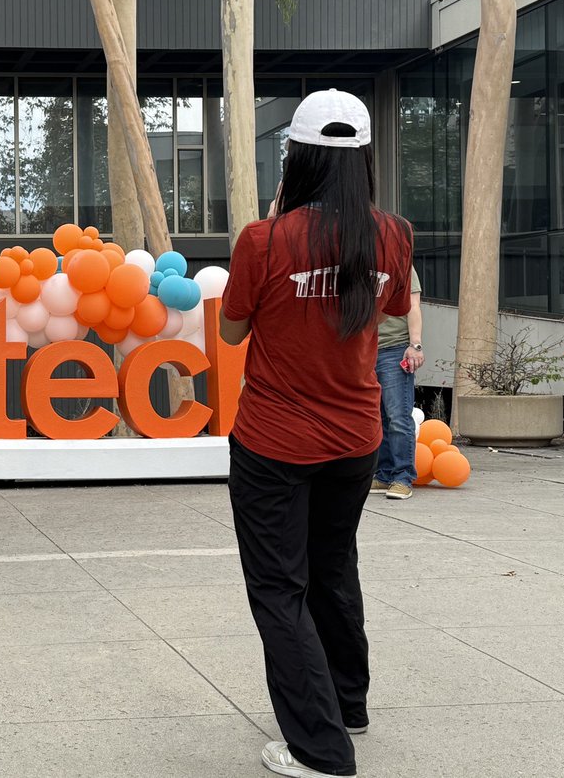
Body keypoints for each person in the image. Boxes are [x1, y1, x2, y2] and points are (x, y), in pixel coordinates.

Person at [219, 89, 413, 778]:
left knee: (279, 587)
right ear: (363, 160)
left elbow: (232, 331)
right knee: (332, 567)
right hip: (356, 439)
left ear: (296, 158)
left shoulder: (263, 240)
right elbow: (387, 308)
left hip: (275, 442)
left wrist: (281, 229)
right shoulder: (393, 234)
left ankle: (321, 749)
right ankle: (348, 704)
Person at [372, 268, 424, 500]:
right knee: (378, 416)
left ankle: (403, 477)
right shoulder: (355, 256)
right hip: (363, 348)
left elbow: (413, 305)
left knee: (398, 416)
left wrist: (415, 345)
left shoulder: (401, 264)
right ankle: (383, 475)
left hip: (394, 348)